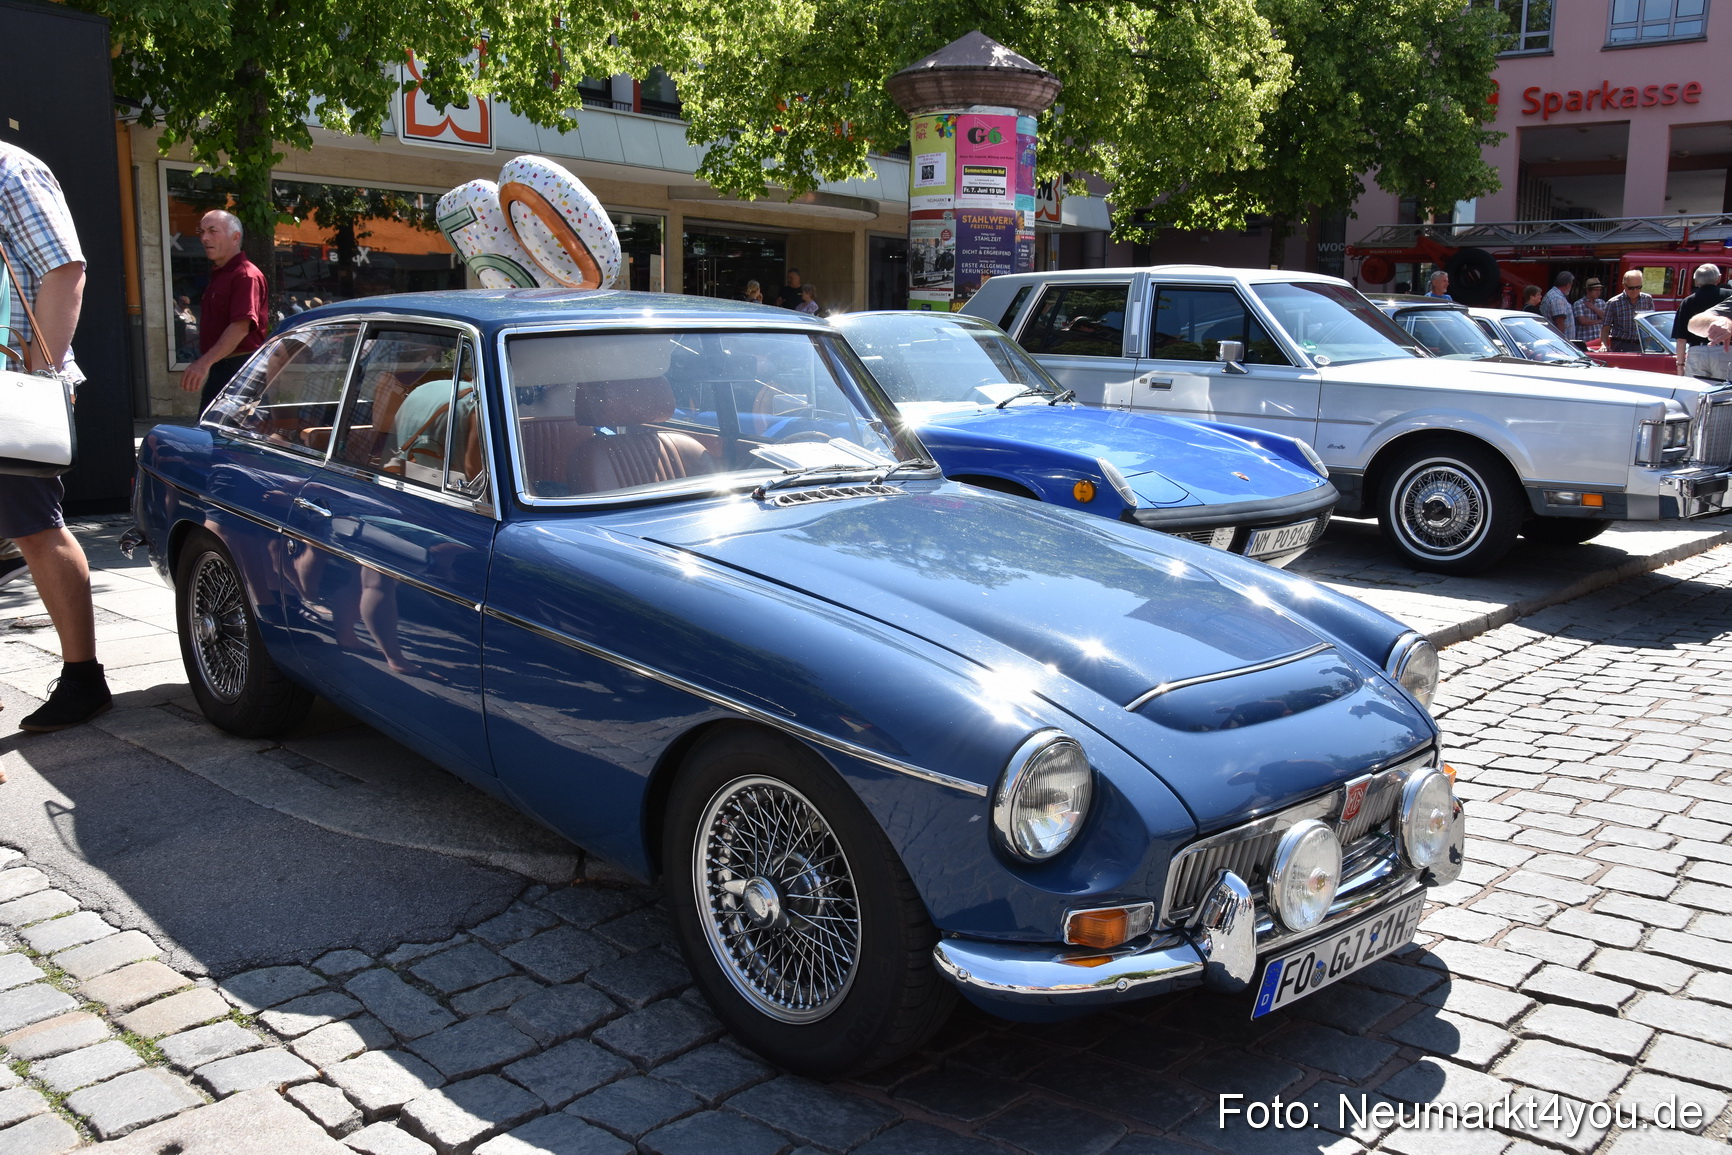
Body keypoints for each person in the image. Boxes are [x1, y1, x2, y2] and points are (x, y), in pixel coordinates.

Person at [0, 141, 109, 731]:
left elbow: (65, 270)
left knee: (37, 529)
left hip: (9, 387)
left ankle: (82, 677)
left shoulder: (10, 168)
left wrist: (37, 383)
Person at [180, 210, 268, 411]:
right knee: (212, 436)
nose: (205, 238)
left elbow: (240, 327)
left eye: (213, 231)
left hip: (240, 369)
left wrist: (203, 364)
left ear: (235, 237)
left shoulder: (246, 275)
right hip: (224, 367)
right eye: (201, 232)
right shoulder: (222, 274)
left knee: (218, 438)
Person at [1673, 263, 1730, 379]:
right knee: (1724, 393)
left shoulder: (1687, 302)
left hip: (1696, 351)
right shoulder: (1729, 296)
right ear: (1718, 278)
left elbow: (1681, 338)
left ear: (1696, 281)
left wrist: (1680, 364)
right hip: (1724, 350)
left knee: (1695, 392)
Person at [1602, 269, 1655, 353]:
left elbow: (1651, 323)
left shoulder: (1647, 299)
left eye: (1638, 287)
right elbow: (1605, 327)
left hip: (1641, 345)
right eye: (1631, 288)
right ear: (1624, 286)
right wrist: (1604, 345)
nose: (1635, 291)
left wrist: (1650, 344)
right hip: (1621, 344)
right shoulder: (1613, 303)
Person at [1542, 272, 1576, 342]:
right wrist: (1562, 342)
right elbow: (1559, 322)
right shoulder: (1557, 298)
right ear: (1568, 284)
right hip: (1560, 343)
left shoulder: (1553, 294)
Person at [1572, 279, 1606, 349]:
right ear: (1588, 290)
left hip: (1598, 341)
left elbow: (1606, 317)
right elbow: (1582, 321)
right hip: (1585, 340)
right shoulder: (1579, 304)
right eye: (1595, 290)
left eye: (1600, 290)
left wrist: (1593, 308)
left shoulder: (1602, 303)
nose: (1598, 292)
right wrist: (1599, 321)